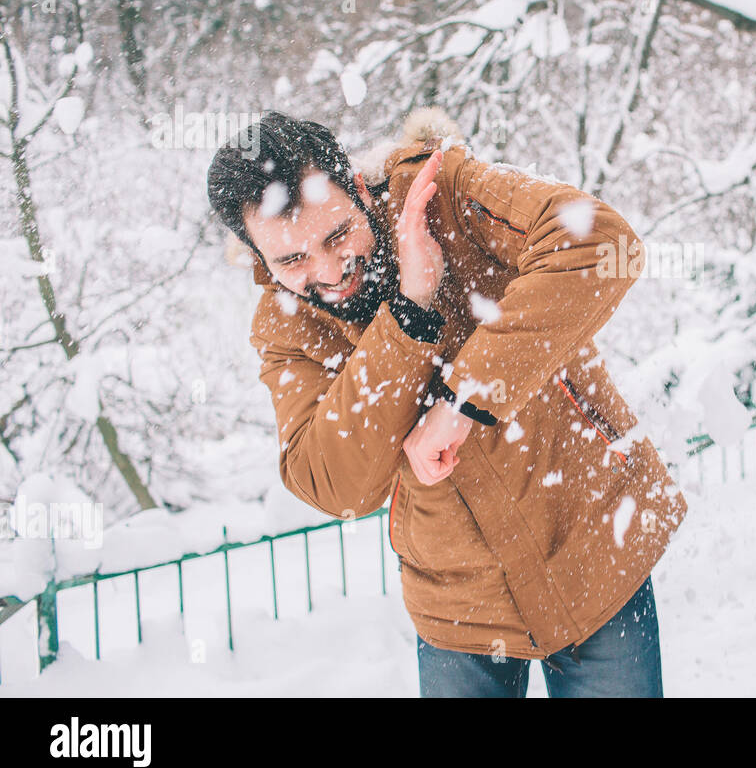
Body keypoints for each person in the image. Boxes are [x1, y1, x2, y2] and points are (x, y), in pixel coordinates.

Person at [206, 106, 687, 697]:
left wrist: (462, 403)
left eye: (337, 235)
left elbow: (602, 243)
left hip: (592, 549)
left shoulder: (444, 190)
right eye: (292, 260)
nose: (332, 273)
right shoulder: (286, 328)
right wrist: (411, 306)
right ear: (259, 258)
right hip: (456, 608)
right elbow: (333, 482)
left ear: (358, 186)